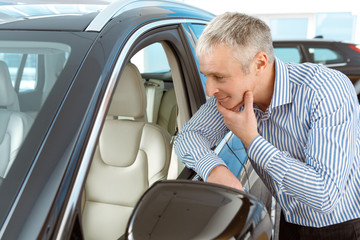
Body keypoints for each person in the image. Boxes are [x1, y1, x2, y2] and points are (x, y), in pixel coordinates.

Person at [174, 12, 360, 239]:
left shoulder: (325, 90)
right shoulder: (233, 96)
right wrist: (215, 170)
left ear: (259, 63)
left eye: (219, 77)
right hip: (290, 218)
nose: (210, 91)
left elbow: (324, 195)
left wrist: (252, 140)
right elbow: (189, 136)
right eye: (207, 76)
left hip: (344, 225)